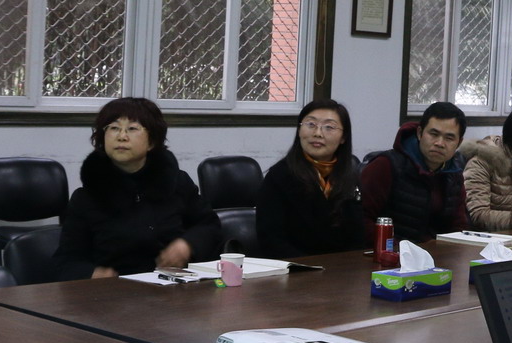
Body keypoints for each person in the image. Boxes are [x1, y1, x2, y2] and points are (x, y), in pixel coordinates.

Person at [53, 97, 223, 280]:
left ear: (152, 141)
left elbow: (209, 225)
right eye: (114, 128)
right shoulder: (86, 197)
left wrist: (187, 244)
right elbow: (66, 262)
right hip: (115, 290)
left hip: (174, 286)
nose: (122, 136)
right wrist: (92, 274)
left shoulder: (177, 183)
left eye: (132, 129)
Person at [255, 99, 364, 258]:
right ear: (299, 130)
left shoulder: (349, 177)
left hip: (344, 267)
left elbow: (358, 235)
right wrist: (312, 267)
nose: (318, 133)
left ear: (343, 137)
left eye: (329, 127)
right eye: (311, 124)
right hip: (298, 267)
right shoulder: (279, 176)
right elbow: (271, 241)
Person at [362, 101, 469, 243]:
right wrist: (395, 250)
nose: (439, 143)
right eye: (434, 134)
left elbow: (459, 227)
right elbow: (361, 220)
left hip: (436, 254)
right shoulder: (386, 165)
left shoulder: (454, 175)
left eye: (449, 138)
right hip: (388, 251)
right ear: (419, 133)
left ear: (459, 143)